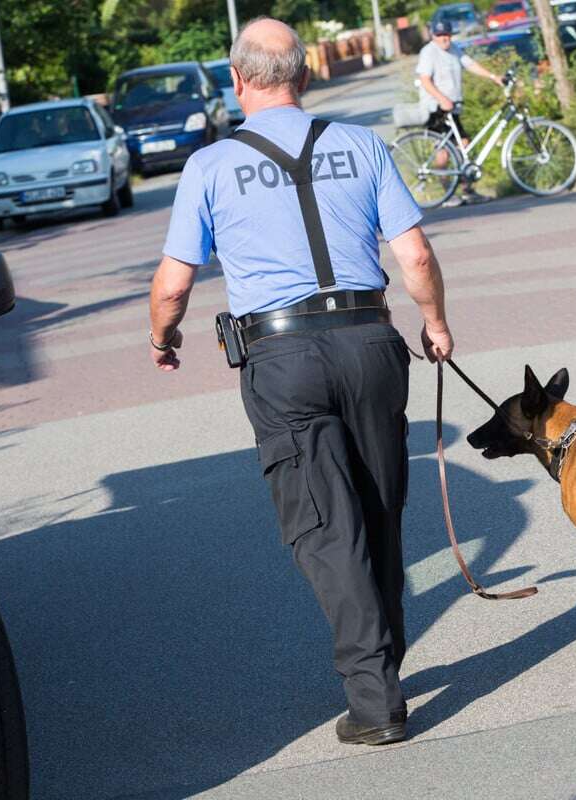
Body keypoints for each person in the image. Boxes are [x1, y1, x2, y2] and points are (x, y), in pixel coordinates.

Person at [148, 16, 455, 747]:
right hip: (371, 342)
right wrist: (436, 324)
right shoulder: (360, 144)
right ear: (307, 76)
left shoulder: (211, 166)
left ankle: (375, 697)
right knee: (379, 509)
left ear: (237, 79)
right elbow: (413, 255)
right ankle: (382, 667)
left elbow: (172, 286)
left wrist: (163, 338)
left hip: (282, 360)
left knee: (324, 526)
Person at [416, 18, 504, 204]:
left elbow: (470, 64)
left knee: (464, 145)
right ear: (433, 36)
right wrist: (442, 99)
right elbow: (424, 80)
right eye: (439, 35)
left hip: (452, 110)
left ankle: (467, 190)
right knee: (443, 152)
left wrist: (493, 76)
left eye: (446, 34)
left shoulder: (454, 49)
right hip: (436, 109)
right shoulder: (429, 52)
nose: (443, 38)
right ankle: (447, 194)